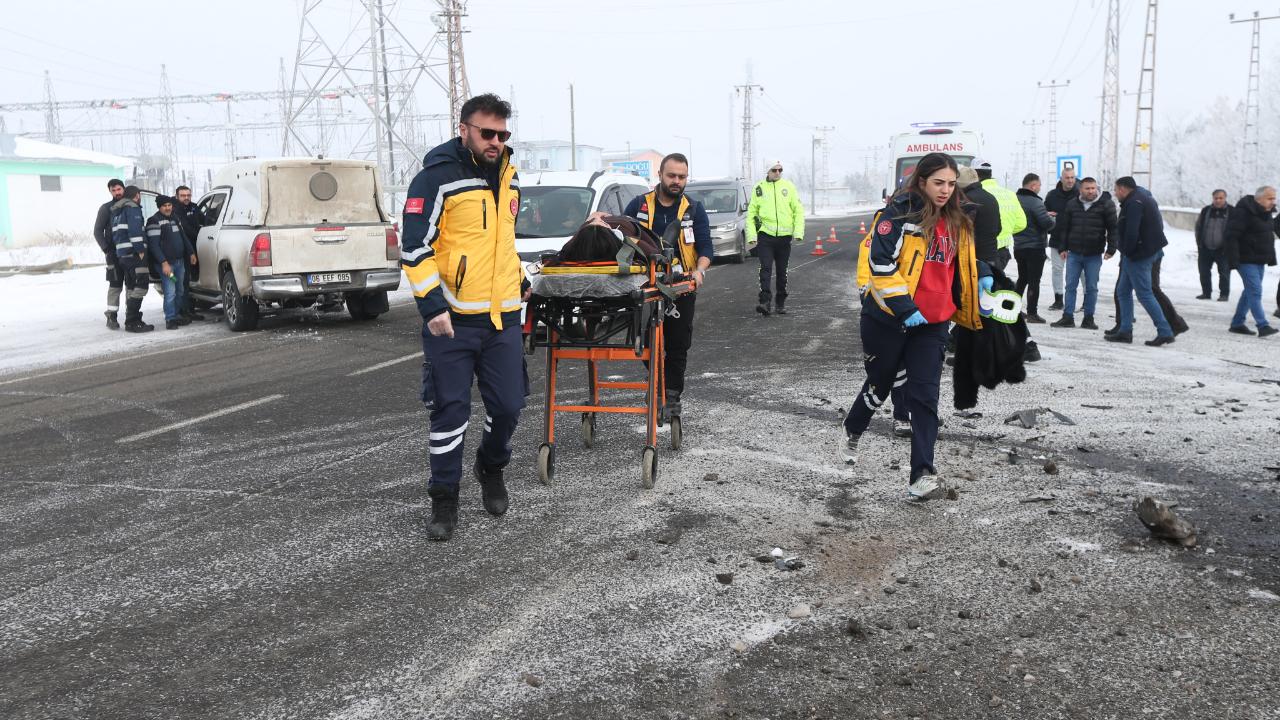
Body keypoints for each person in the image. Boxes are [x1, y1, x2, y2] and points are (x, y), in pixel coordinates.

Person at [399, 93, 526, 541]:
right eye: (487, 133)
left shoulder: (510, 177)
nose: (496, 141)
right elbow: (414, 248)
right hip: (451, 322)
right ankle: (444, 499)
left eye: (503, 134)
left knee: (509, 407)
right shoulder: (436, 178)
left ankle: (491, 468)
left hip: (503, 319)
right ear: (464, 129)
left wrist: (521, 282)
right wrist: (432, 305)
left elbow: (501, 244)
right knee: (450, 413)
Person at [846, 152, 991, 500]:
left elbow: (962, 261)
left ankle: (922, 474)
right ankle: (853, 428)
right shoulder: (898, 214)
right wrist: (904, 307)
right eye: (938, 182)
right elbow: (879, 262)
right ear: (922, 181)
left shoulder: (959, 218)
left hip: (933, 322)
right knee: (881, 384)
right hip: (889, 319)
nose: (945, 190)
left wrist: (983, 274)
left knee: (925, 396)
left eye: (951, 184)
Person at [623, 153, 713, 422]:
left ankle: (671, 397)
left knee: (677, 346)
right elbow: (621, 239)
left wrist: (700, 270)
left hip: (681, 287)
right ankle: (660, 386)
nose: (676, 181)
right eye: (671, 175)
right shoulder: (638, 206)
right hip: (644, 287)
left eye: (682, 177)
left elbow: (706, 247)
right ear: (660, 175)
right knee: (644, 342)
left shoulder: (693, 210)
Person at [1107, 177, 1174, 346]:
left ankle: (1165, 331)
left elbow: (1132, 232)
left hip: (1139, 255)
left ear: (1122, 189)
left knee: (1144, 294)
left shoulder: (1134, 203)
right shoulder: (1141, 198)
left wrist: (1127, 252)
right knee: (1123, 291)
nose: (1115, 194)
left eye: (1116, 190)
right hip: (1144, 252)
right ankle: (1125, 330)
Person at [1049, 177, 1116, 330]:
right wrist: (1062, 248)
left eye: (1093, 188)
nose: (1091, 191)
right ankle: (1068, 317)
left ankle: (1088, 318)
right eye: (1087, 188)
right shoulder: (1072, 204)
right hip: (1074, 254)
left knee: (1091, 287)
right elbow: (1065, 228)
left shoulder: (1106, 204)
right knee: (1070, 286)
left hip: (1094, 254)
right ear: (1081, 189)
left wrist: (1111, 249)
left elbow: (1113, 229)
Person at [746, 160, 805, 316]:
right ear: (768, 171)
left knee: (781, 271)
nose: (778, 173)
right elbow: (751, 213)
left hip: (784, 238)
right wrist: (752, 236)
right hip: (766, 236)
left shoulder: (789, 187)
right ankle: (765, 301)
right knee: (765, 268)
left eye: (780, 170)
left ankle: (780, 302)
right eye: (774, 170)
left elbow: (798, 210)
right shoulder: (759, 188)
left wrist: (798, 232)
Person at [1224, 185, 1278, 337]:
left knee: (1250, 291)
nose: (1273, 201)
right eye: (1270, 198)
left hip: (1259, 259)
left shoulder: (1266, 213)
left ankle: (1237, 323)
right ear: (1259, 199)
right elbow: (1231, 236)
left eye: (1274, 198)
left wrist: (1270, 257)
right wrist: (1233, 260)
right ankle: (1263, 325)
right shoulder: (1243, 212)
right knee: (1255, 291)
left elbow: (1267, 236)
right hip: (1245, 259)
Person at [146, 196, 196, 330]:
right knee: (170, 291)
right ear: (159, 207)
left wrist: (191, 252)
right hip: (168, 266)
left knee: (180, 289)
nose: (168, 208)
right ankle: (170, 319)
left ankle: (177, 315)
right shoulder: (154, 221)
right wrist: (164, 263)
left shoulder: (175, 219)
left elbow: (183, 237)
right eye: (164, 206)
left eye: (169, 205)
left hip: (179, 264)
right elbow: (153, 246)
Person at [110, 185, 154, 333]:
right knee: (141, 286)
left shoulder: (117, 211)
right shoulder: (133, 208)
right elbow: (135, 231)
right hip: (134, 255)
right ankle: (132, 321)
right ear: (137, 195)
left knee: (131, 286)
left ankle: (132, 320)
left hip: (123, 255)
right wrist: (140, 249)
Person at [1012, 173, 1055, 323]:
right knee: (1034, 281)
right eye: (1039, 185)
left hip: (1019, 246)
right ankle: (1032, 313)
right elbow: (1046, 223)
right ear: (1033, 186)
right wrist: (1052, 219)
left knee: (1022, 278)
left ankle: (1014, 309)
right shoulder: (1035, 202)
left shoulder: (1015, 199)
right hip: (1035, 247)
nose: (1040, 188)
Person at [973, 159, 1027, 272]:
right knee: (996, 287)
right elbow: (1021, 223)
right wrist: (1005, 231)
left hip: (981, 252)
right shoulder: (1010, 194)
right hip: (1003, 253)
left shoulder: (976, 194)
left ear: (975, 174)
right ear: (990, 174)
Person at [1043, 167, 1079, 310]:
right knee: (1057, 269)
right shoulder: (1052, 195)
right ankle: (1058, 299)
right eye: (1067, 177)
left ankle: (1084, 303)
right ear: (1061, 178)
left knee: (1080, 272)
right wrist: (1047, 214)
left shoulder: (1079, 194)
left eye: (1072, 177)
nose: (1070, 180)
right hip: (1057, 238)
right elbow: (1044, 212)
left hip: (1076, 239)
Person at [93, 178, 126, 329]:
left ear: (123, 189)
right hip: (114, 254)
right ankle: (111, 316)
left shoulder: (130, 206)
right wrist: (107, 249)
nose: (117, 192)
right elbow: (97, 231)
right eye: (114, 190)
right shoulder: (106, 209)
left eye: (119, 189)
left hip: (131, 253)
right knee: (115, 285)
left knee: (132, 285)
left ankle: (132, 316)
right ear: (110, 192)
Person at [172, 185, 206, 320]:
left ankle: (190, 310)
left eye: (188, 195)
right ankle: (182, 311)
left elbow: (205, 219)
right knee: (182, 282)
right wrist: (200, 235)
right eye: (183, 196)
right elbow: (185, 229)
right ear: (177, 196)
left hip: (197, 249)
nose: (186, 198)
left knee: (191, 280)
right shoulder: (174, 211)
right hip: (183, 251)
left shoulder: (194, 207)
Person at [1194, 189, 1232, 301]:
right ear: (1213, 198)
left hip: (1223, 250)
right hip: (1205, 248)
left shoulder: (1231, 211)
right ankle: (1206, 293)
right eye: (1216, 198)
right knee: (1204, 272)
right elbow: (1198, 227)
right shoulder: (1206, 210)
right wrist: (1199, 243)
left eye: (1221, 198)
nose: (1218, 200)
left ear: (1225, 198)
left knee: (1224, 273)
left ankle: (1224, 294)